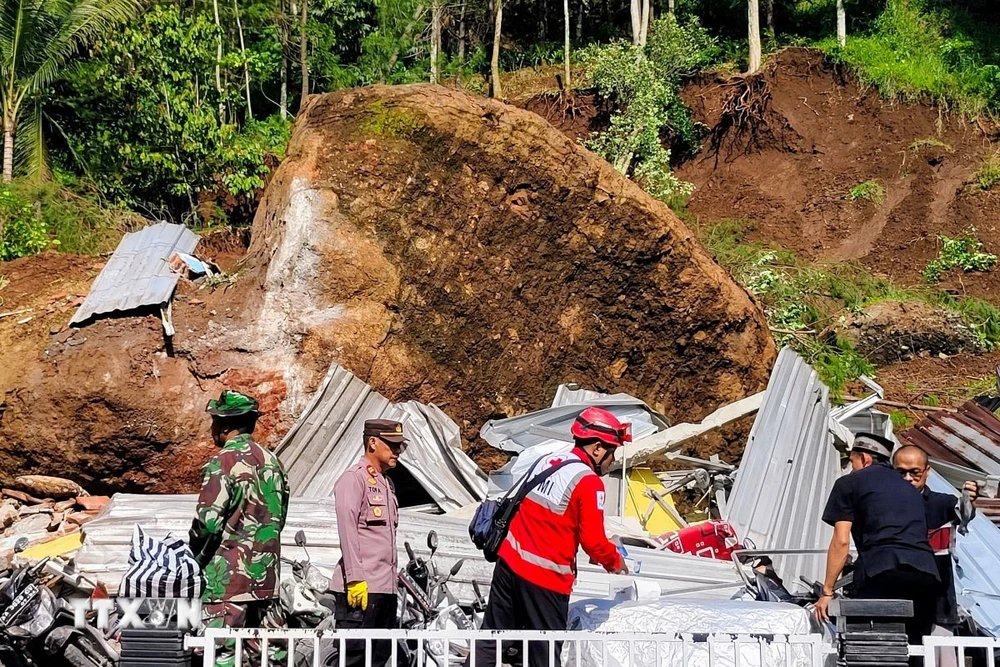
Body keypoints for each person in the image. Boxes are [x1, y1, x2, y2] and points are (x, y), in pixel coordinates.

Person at [468, 406, 631, 667]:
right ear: (598, 449)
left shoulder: (549, 461)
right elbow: (594, 543)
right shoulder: (589, 483)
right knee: (542, 657)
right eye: (612, 453)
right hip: (545, 581)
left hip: (508, 564)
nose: (612, 461)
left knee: (491, 642)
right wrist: (615, 562)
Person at [189, 389, 290, 667]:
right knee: (269, 658)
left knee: (221, 657)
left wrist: (194, 560)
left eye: (213, 422)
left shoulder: (222, 462)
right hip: (267, 582)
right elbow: (278, 520)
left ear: (224, 426)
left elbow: (208, 523)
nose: (212, 429)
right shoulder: (274, 463)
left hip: (226, 584)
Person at [815, 433, 940, 648]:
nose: (851, 467)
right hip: (926, 574)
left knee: (873, 646)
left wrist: (827, 591)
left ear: (864, 458)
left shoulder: (850, 483)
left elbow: (841, 541)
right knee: (917, 648)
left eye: (852, 461)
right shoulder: (909, 488)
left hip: (880, 571)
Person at [330, 419, 406, 667]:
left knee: (379, 659)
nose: (398, 452)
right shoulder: (354, 479)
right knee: (353, 659)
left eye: (400, 447)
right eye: (393, 446)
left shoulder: (388, 484)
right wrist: (354, 578)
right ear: (373, 442)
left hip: (385, 590)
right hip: (361, 588)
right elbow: (347, 531)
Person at [892, 445, 978, 634]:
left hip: (938, 604)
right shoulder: (882, 505)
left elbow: (965, 515)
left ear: (927, 471)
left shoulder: (942, 503)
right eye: (901, 472)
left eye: (914, 472)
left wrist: (968, 500)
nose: (908, 478)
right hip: (894, 603)